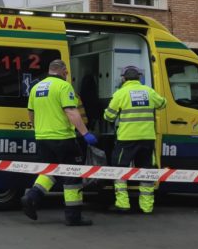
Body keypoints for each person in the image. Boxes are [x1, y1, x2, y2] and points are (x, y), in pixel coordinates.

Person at [21, 59, 98, 226]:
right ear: (63, 71)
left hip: (42, 138)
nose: (66, 75)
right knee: (72, 175)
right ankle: (73, 216)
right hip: (63, 138)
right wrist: (85, 133)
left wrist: (38, 129)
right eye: (66, 72)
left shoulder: (36, 88)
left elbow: (31, 113)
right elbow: (70, 111)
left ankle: (31, 197)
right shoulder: (64, 87)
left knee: (50, 171)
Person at [104, 66, 167, 214]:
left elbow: (109, 116)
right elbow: (163, 103)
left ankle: (123, 204)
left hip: (127, 139)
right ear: (139, 78)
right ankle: (146, 207)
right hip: (147, 138)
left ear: (123, 79)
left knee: (120, 169)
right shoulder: (149, 92)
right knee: (146, 171)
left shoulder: (120, 93)